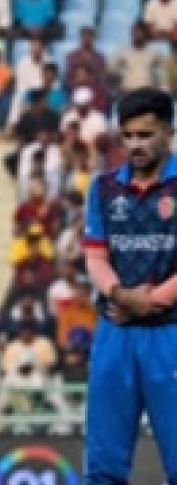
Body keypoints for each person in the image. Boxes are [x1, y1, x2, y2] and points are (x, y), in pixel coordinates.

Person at [82, 87, 177, 483]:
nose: (135, 146)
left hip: (169, 334)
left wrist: (151, 300)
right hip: (115, 334)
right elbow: (96, 257)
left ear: (168, 132)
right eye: (129, 136)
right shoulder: (103, 189)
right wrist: (120, 295)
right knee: (103, 465)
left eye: (145, 135)